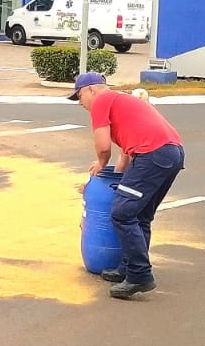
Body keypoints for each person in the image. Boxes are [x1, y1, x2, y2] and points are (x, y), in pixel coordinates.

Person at [68, 72, 185, 300]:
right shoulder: (123, 101)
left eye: (79, 96)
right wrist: (100, 184)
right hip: (172, 153)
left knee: (122, 213)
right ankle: (127, 268)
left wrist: (100, 165)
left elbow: (103, 148)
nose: (80, 103)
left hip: (153, 154)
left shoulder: (102, 100)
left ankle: (139, 275)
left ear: (92, 89)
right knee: (139, 215)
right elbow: (125, 156)